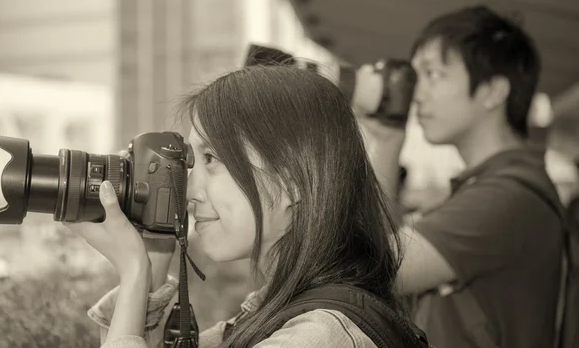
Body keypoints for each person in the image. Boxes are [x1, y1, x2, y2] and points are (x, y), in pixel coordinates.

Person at [66, 65, 413, 348]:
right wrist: (153, 259)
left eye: (212, 158)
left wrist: (133, 271)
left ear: (292, 182)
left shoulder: (320, 335)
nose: (188, 189)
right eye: (190, 162)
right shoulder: (270, 314)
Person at [360, 5, 566, 348]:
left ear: (493, 91)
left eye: (434, 74)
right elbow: (379, 249)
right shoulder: (491, 185)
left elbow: (373, 269)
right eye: (416, 76)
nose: (417, 94)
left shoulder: (507, 198)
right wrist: (386, 140)